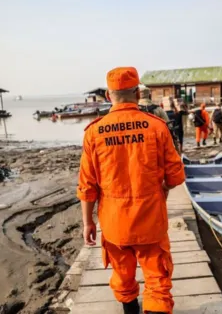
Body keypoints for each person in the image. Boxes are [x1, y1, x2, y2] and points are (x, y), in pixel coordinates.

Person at [77, 67, 185, 314]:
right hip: (151, 220)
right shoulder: (156, 127)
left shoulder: (94, 132)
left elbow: (87, 184)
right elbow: (176, 175)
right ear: (137, 93)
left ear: (108, 95)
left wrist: (87, 223)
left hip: (115, 223)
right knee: (157, 278)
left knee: (123, 275)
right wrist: (163, 188)